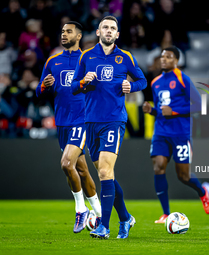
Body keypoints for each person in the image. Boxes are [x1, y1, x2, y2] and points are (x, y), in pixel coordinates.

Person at [71, 15, 147, 239]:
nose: (108, 31)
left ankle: (104, 226)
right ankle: (126, 218)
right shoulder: (86, 56)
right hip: (90, 121)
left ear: (117, 34)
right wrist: (84, 81)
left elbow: (143, 81)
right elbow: (74, 87)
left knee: (104, 171)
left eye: (113, 28)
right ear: (98, 32)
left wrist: (131, 86)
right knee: (107, 175)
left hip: (114, 120)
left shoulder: (125, 57)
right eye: (105, 27)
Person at [36, 21, 102, 233]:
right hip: (62, 122)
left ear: (79, 36)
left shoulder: (90, 60)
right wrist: (44, 86)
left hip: (82, 120)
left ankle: (81, 209)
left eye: (69, 31)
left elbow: (101, 89)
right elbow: (39, 91)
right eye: (62, 31)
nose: (64, 35)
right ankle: (101, 214)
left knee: (66, 164)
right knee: (81, 169)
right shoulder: (53, 61)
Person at [142, 46, 209, 224]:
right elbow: (161, 111)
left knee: (184, 176)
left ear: (177, 61)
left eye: (169, 56)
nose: (164, 59)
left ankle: (202, 192)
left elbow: (198, 105)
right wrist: (151, 110)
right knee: (158, 167)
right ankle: (166, 213)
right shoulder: (155, 82)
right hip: (161, 132)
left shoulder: (183, 79)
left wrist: (173, 111)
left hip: (181, 133)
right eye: (162, 56)